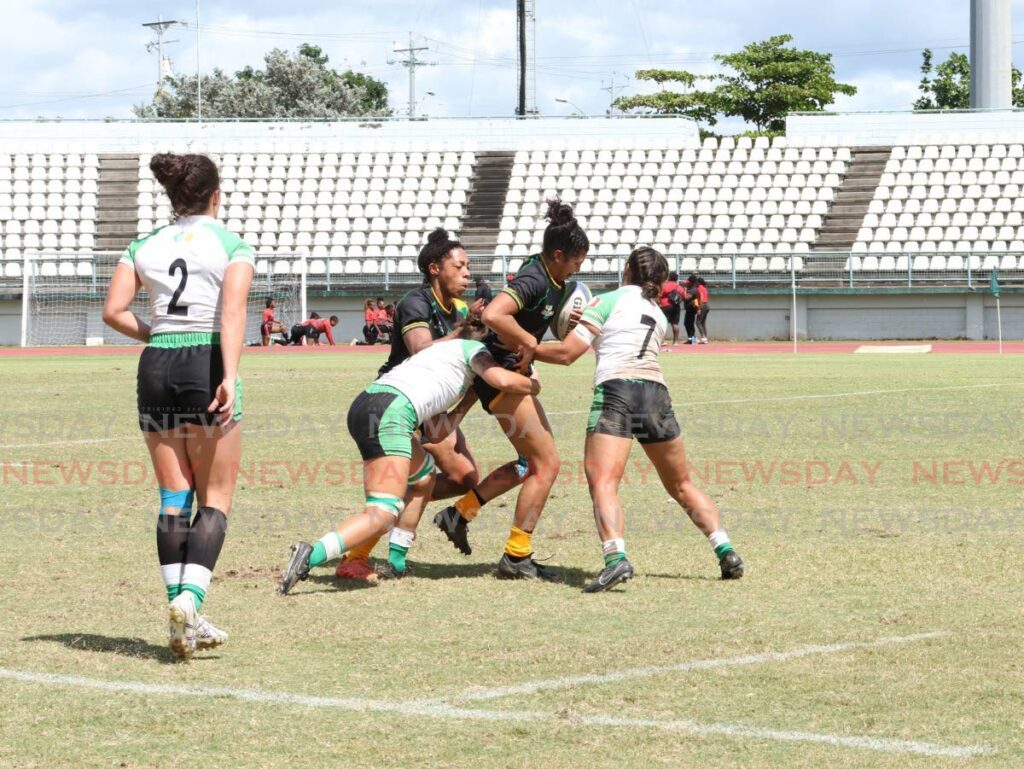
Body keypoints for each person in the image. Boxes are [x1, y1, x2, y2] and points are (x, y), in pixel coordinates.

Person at [101, 152, 254, 657]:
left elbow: (113, 311)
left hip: (156, 365)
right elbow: (231, 316)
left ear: (172, 196)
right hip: (205, 360)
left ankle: (184, 616)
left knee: (173, 497)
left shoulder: (142, 245)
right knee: (215, 498)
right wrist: (229, 375)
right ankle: (190, 599)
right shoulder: (230, 244)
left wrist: (156, 333)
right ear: (216, 194)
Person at [277, 316, 539, 595]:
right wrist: (534, 382)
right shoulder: (475, 351)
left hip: (369, 402)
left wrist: (470, 397)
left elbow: (437, 434)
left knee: (424, 476)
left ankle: (396, 562)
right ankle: (311, 554)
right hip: (392, 414)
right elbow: (499, 378)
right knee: (382, 512)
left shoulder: (443, 356)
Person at [534, 246, 744, 591]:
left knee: (603, 482)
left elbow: (567, 353)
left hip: (618, 391)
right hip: (656, 395)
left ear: (628, 269)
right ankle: (725, 548)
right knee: (682, 484)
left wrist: (529, 348)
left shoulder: (606, 301)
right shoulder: (657, 314)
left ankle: (616, 558)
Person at [337, 229, 526, 582]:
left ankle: (395, 501)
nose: (467, 272)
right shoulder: (416, 302)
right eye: (460, 266)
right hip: (400, 400)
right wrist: (464, 331)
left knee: (462, 478)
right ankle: (360, 550)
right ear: (435, 268)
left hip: (430, 404)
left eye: (469, 266)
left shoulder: (459, 308)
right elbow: (421, 349)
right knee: (419, 482)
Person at [434, 199, 587, 580]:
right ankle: (516, 557)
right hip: (500, 374)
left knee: (528, 464)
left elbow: (532, 319)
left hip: (503, 374)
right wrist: (530, 344)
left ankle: (460, 513)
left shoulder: (552, 281)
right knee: (545, 464)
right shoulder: (535, 278)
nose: (578, 268)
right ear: (557, 255)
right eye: (575, 261)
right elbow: (493, 315)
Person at [658, 270, 681, 347]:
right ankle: (675, 342)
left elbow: (660, 294)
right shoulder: (679, 287)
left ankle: (663, 341)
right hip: (676, 306)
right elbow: (684, 296)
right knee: (675, 323)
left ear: (669, 277)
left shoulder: (665, 285)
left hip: (665, 305)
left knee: (664, 323)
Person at [682, 274, 700, 344]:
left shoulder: (693, 290)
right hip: (689, 309)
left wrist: (684, 290)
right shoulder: (692, 289)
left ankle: (693, 340)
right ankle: (691, 339)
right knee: (687, 324)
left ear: (692, 282)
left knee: (689, 324)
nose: (687, 284)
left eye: (688, 282)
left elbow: (686, 297)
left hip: (691, 309)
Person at [695, 277, 710, 344]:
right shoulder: (705, 288)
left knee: (698, 322)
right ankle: (705, 337)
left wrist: (699, 308)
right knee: (703, 322)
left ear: (698, 282)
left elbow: (701, 298)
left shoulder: (699, 288)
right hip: (707, 305)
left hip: (702, 305)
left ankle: (703, 336)